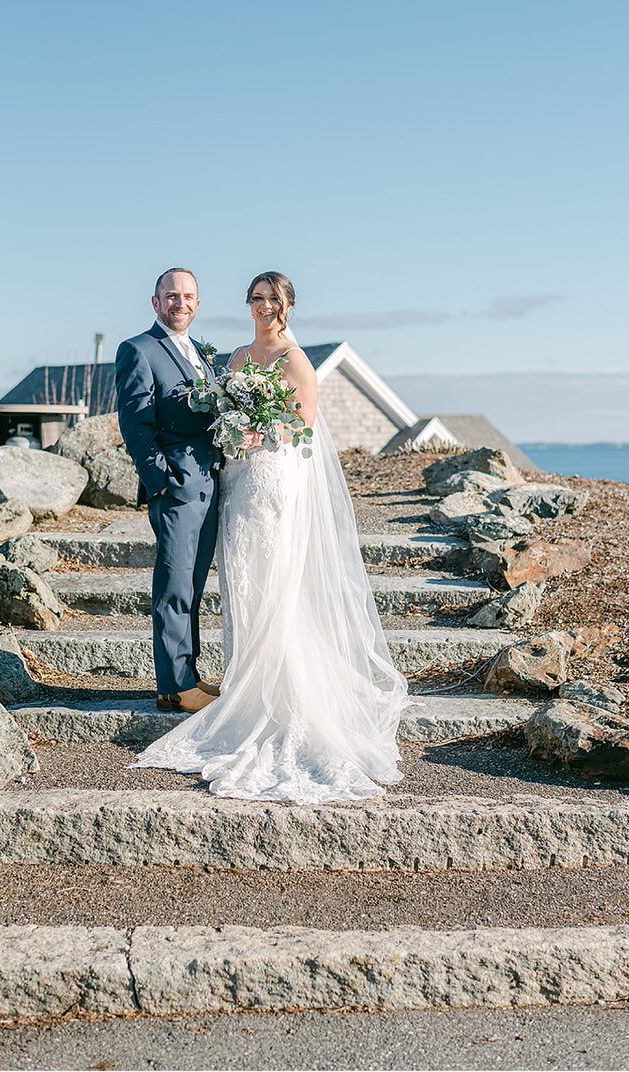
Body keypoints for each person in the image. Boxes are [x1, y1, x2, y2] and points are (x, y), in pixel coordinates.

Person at [134, 272, 409, 803]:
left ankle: (279, 688)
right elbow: (217, 411)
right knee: (242, 578)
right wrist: (235, 430)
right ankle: (245, 682)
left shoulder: (294, 359)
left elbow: (304, 422)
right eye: (256, 298)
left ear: (286, 306)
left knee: (274, 574)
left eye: (272, 299)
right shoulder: (234, 358)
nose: (263, 306)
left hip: (274, 477)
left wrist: (263, 431)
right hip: (238, 480)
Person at [115, 267, 220, 714]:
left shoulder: (201, 353)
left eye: (188, 296)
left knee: (193, 585)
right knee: (174, 584)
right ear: (155, 303)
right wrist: (162, 482)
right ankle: (174, 685)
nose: (181, 303)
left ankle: (185, 677)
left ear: (197, 303)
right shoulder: (138, 350)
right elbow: (135, 424)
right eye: (171, 296)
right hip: (176, 487)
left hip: (210, 485)